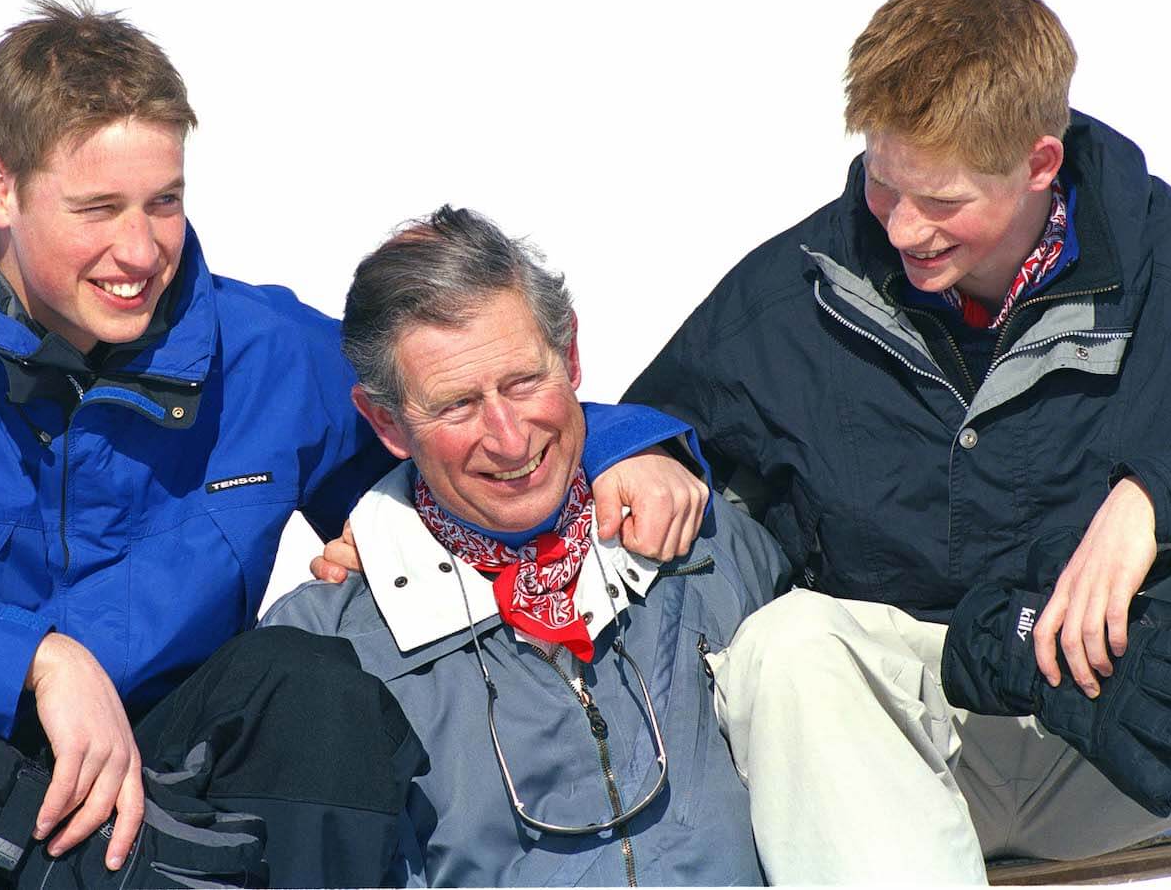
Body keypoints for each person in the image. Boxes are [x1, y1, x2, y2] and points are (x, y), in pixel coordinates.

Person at [0, 0, 705, 889]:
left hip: (158, 763)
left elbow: (447, 412)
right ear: (1, 189)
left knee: (312, 688)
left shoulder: (258, 353)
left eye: (163, 202)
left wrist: (621, 447)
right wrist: (34, 659)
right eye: (98, 209)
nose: (140, 251)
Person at [625, 0, 1171, 883]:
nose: (904, 229)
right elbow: (645, 424)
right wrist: (632, 455)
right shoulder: (797, 290)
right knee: (790, 644)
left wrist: (1159, 498)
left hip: (1139, 733)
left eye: (944, 202)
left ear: (1041, 163)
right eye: (886, 186)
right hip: (897, 769)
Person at [266, 206, 791, 885]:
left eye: (524, 382)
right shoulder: (330, 648)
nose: (511, 439)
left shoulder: (710, 543)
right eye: (456, 405)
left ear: (569, 356)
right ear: (389, 423)